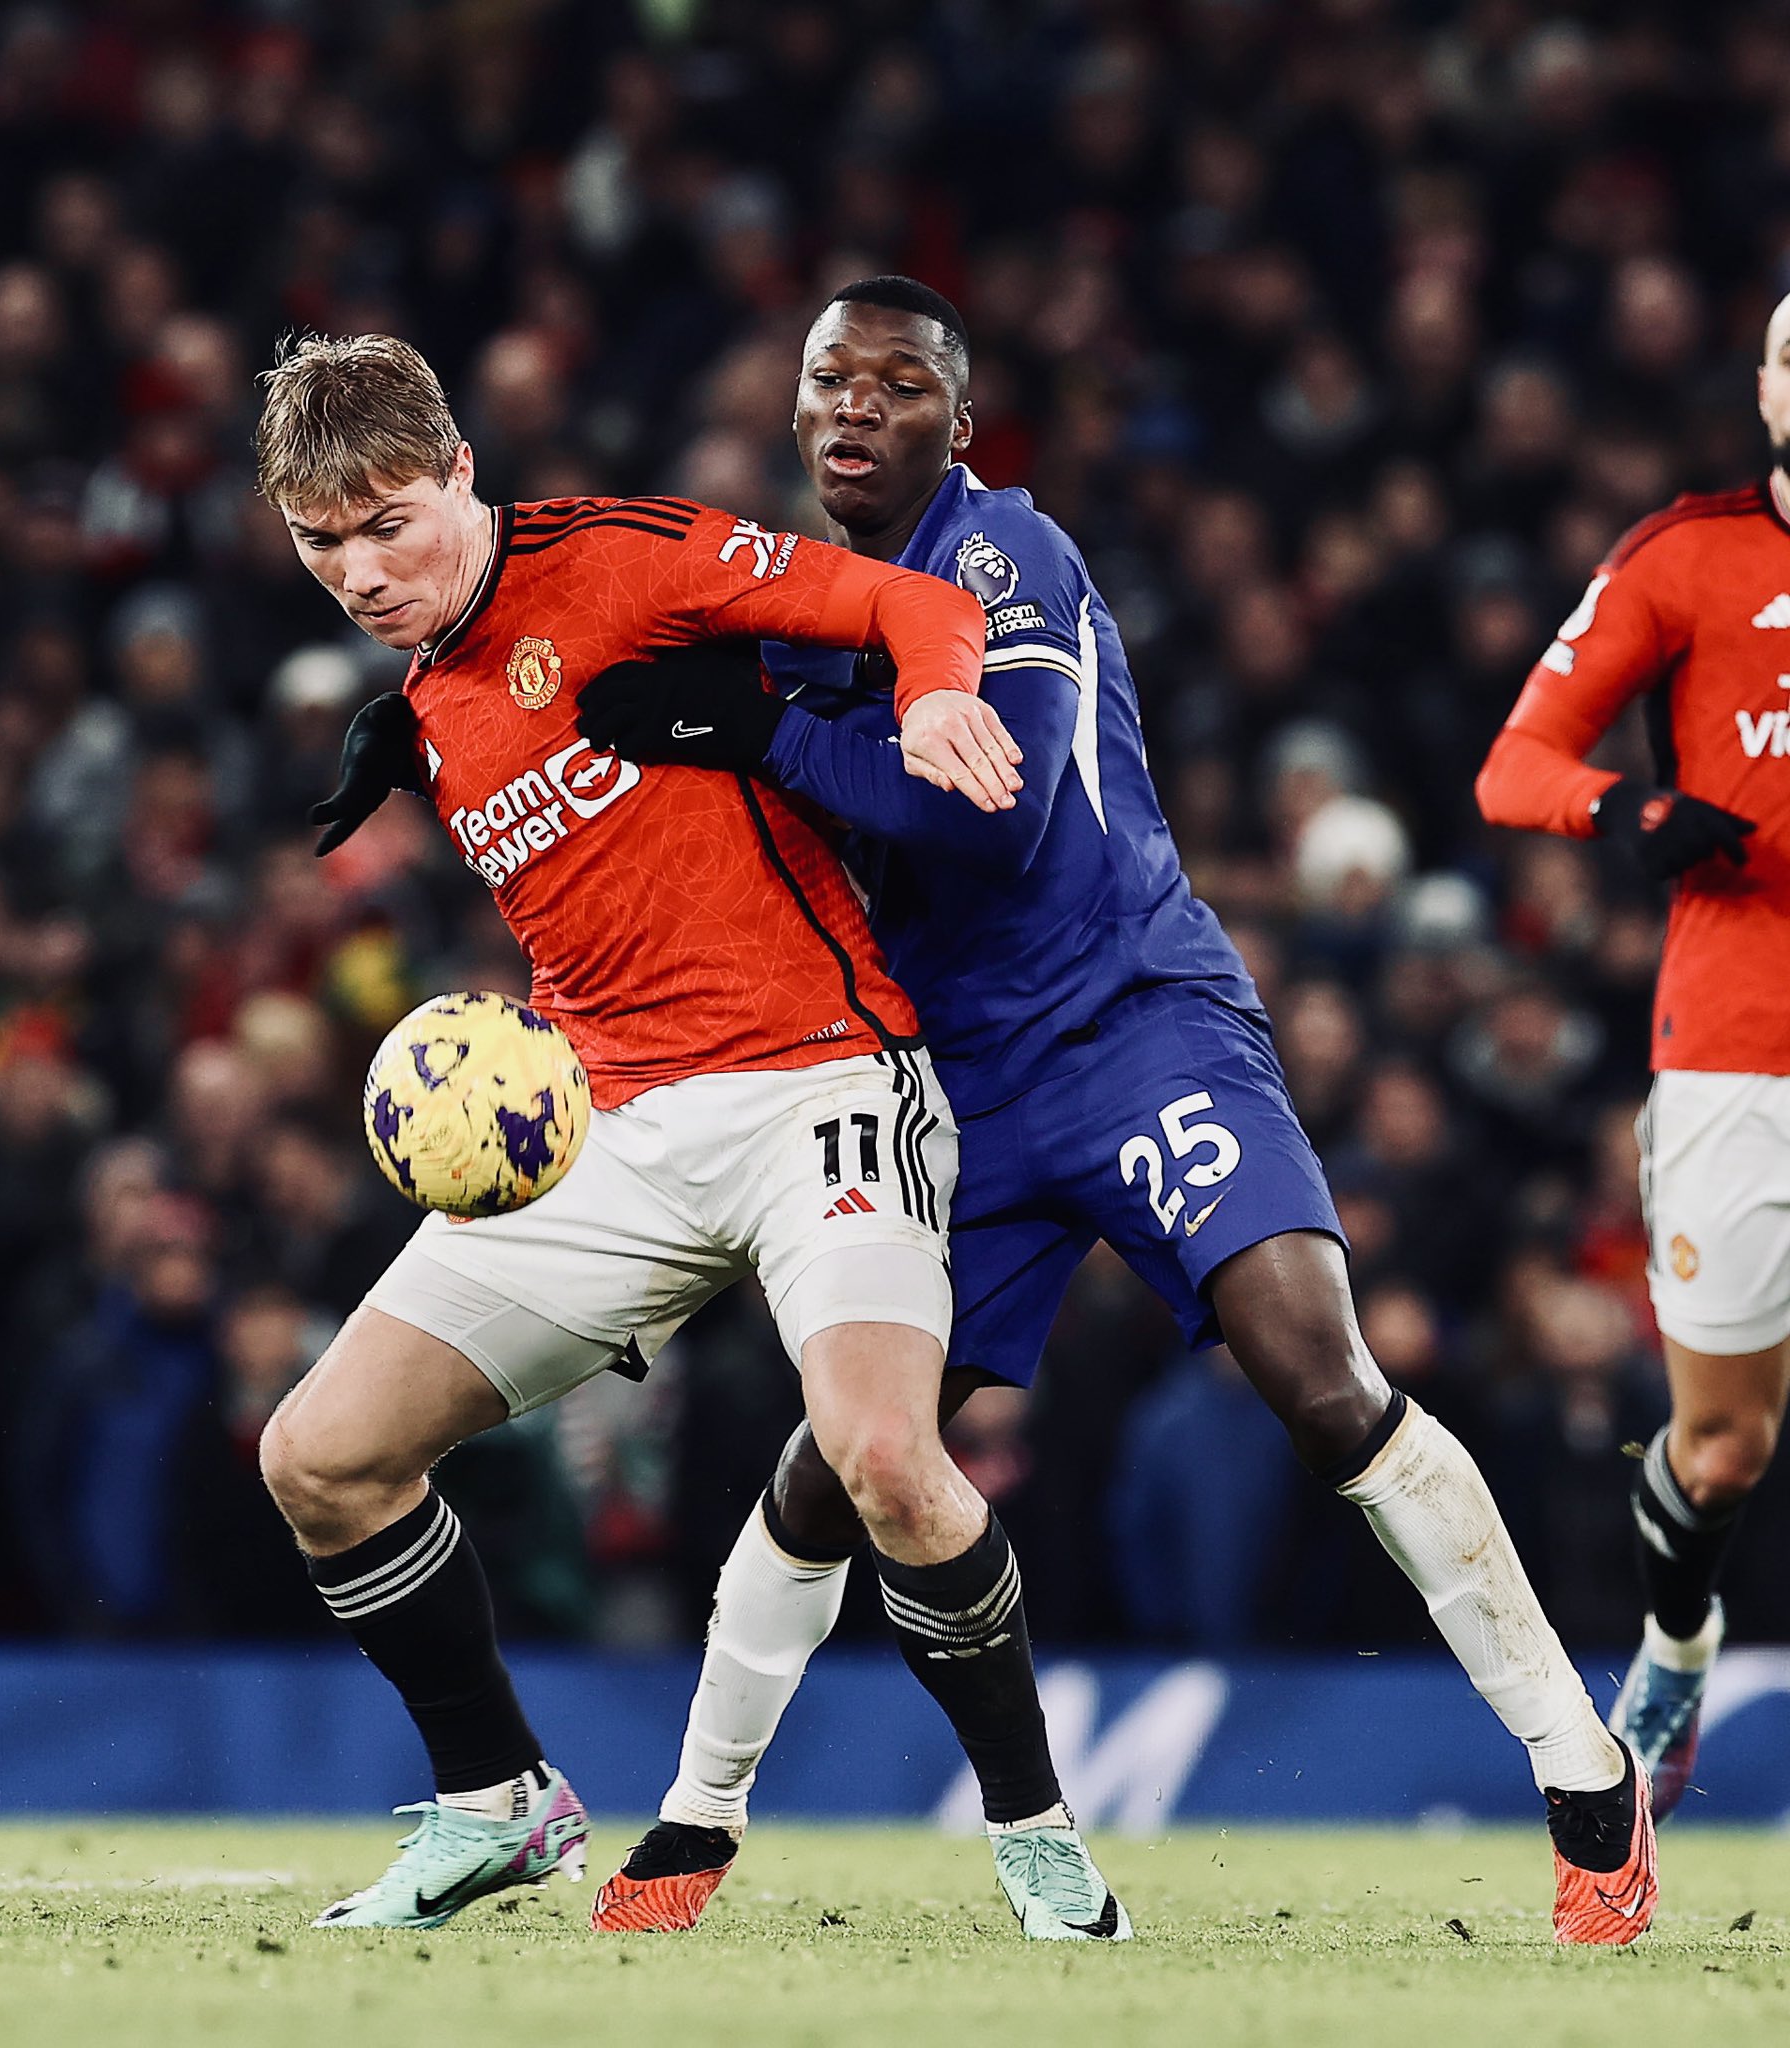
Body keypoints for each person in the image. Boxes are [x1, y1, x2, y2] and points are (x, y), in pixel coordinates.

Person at [570, 278, 1654, 1946]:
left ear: (959, 416)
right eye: (827, 381)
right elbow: (599, 657)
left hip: (1131, 1019)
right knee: (852, 1456)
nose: (856, 409)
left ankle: (1585, 1776)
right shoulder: (789, 611)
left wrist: (764, 731)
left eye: (899, 383)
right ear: (790, 412)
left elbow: (996, 823)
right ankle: (698, 1822)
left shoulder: (1010, 558)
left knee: (1320, 1375)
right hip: (953, 1084)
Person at [253, 332, 1129, 1939]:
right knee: (321, 1457)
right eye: (323, 543)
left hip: (825, 1087)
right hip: (611, 1127)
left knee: (883, 1458)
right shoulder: (432, 703)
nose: (363, 571)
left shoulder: (618, 558)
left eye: (390, 522)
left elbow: (912, 606)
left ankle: (1038, 1827)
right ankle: (496, 1803)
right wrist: (429, 735)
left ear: (461, 472)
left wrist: (937, 703)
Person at [1475, 291, 1790, 1824]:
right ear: (1767, 387)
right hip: (1737, 1045)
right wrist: (1633, 811)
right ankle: (1676, 1646)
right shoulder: (1688, 558)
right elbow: (1513, 765)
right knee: (1723, 1448)